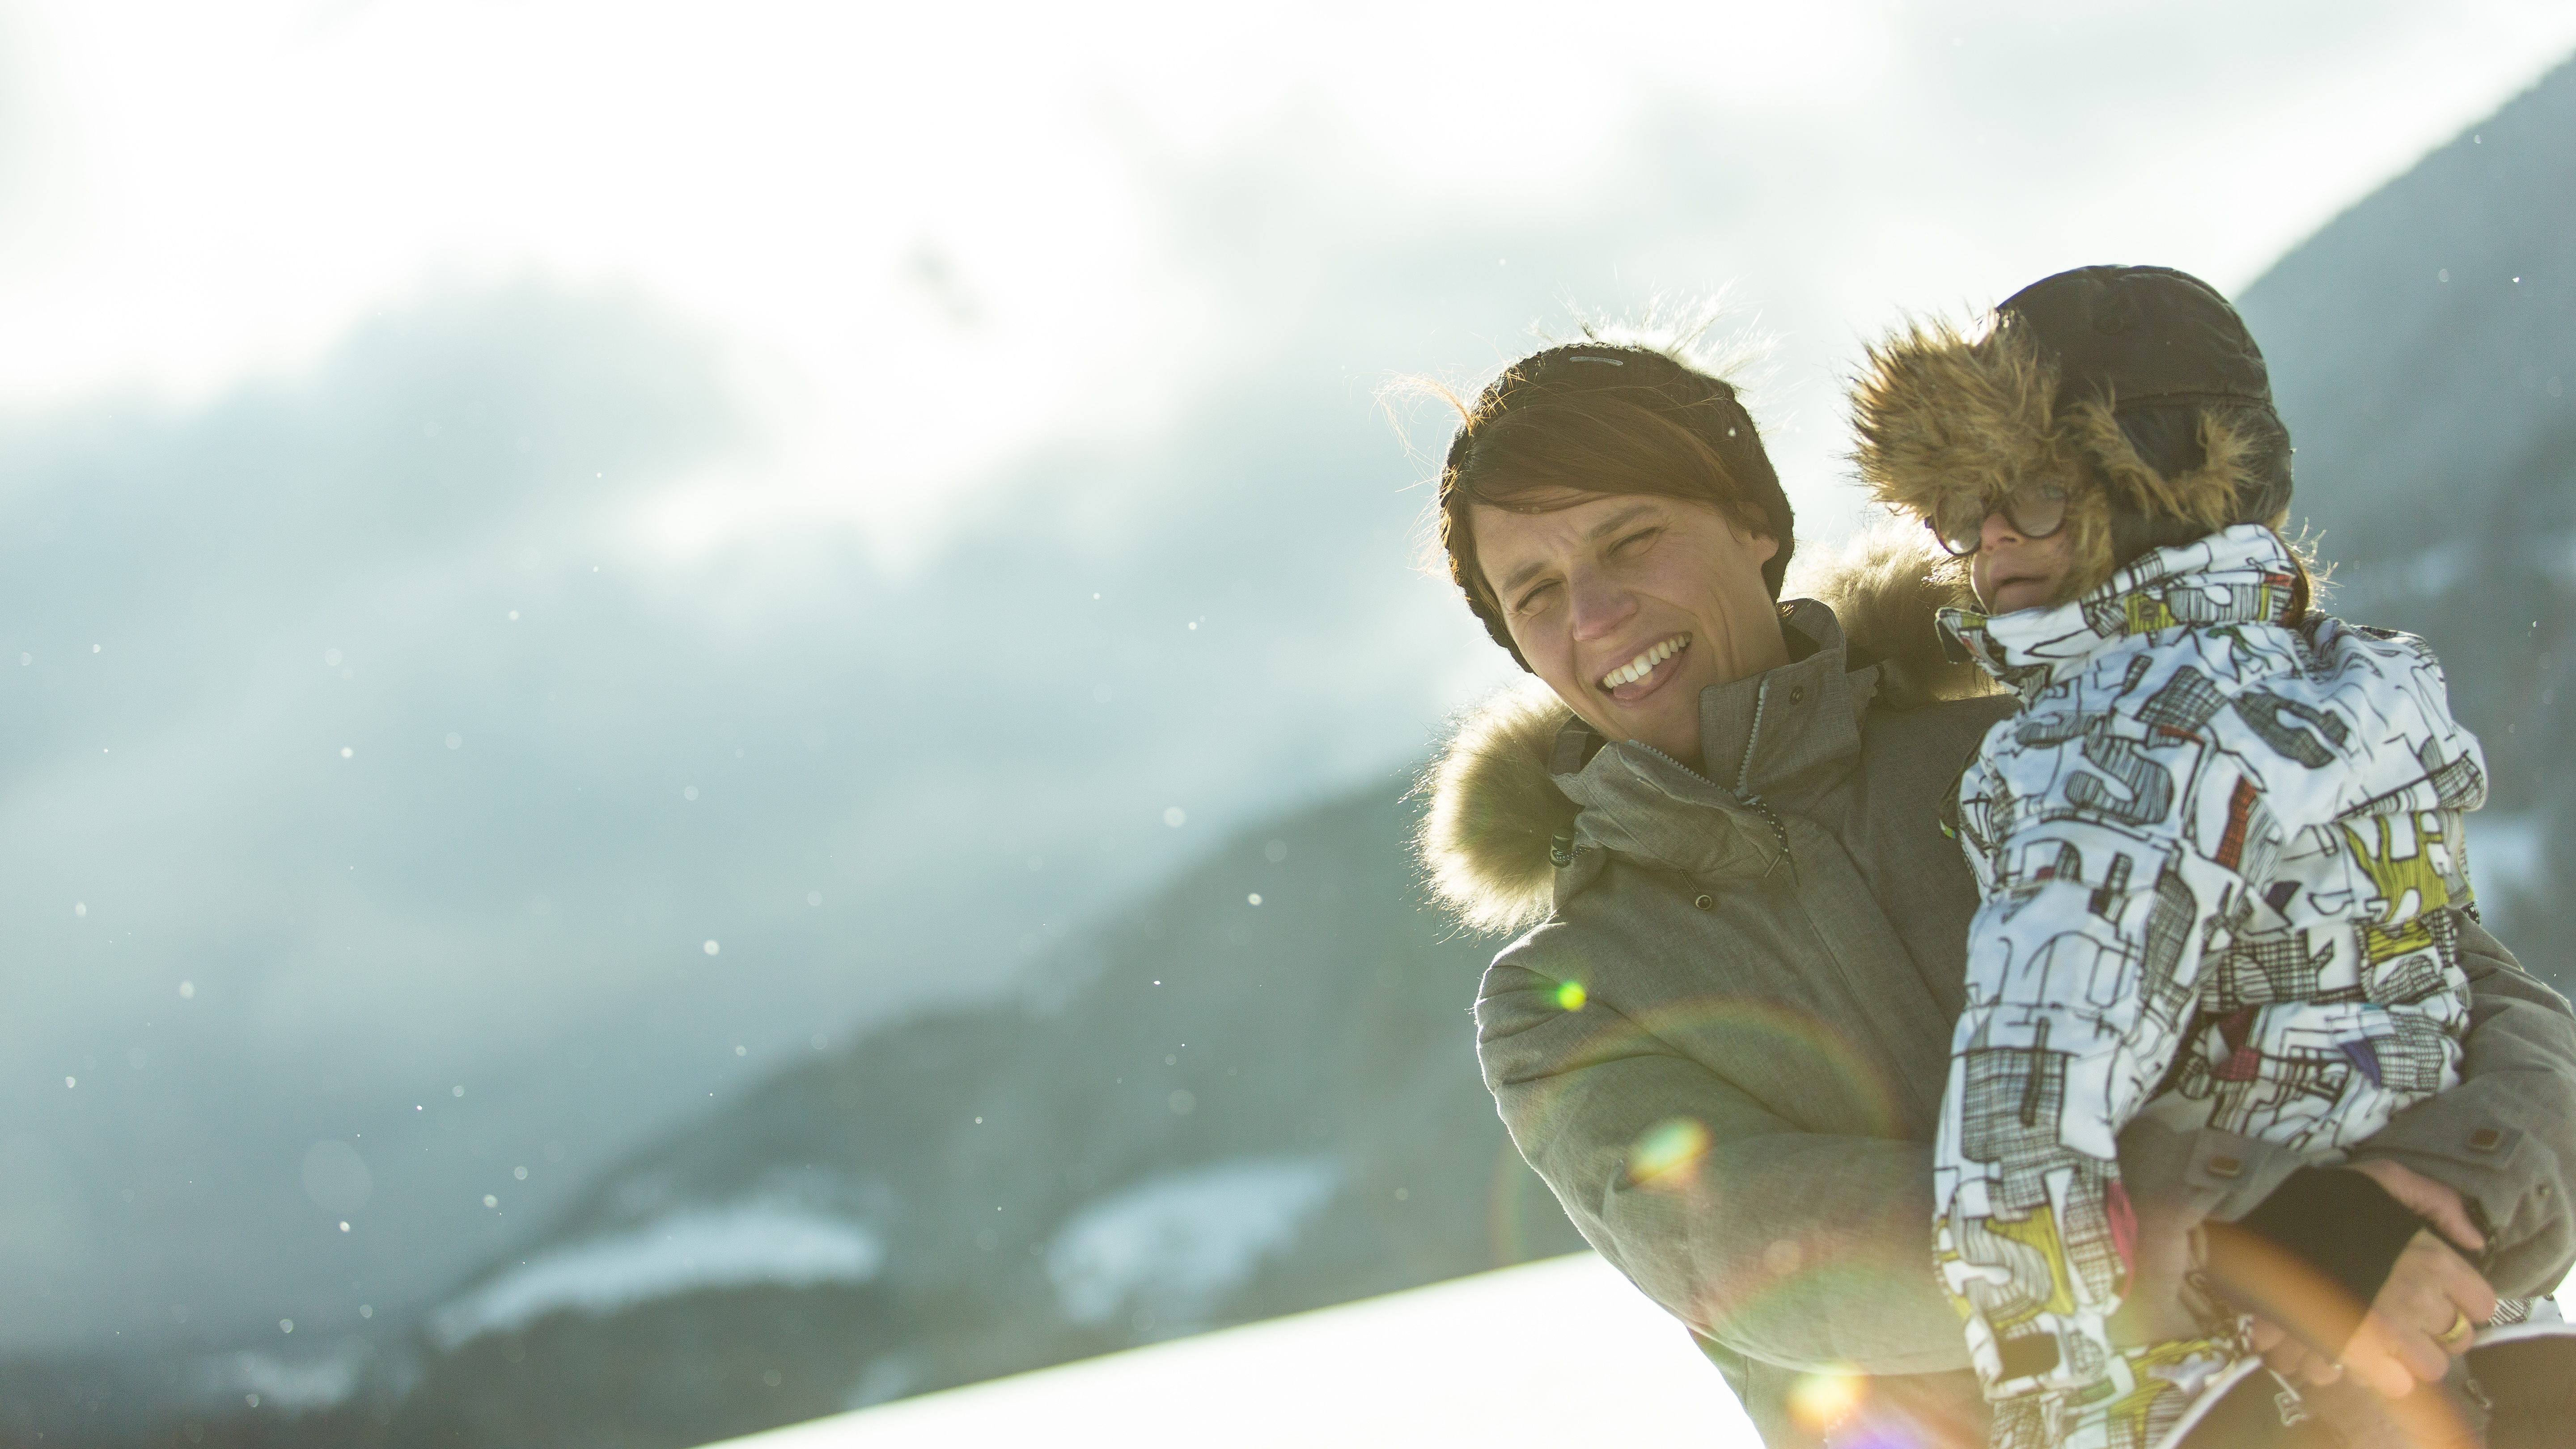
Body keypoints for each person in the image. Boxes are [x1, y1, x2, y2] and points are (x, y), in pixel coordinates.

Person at [1416, 334, 2576, 1447]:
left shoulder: (2055, 744)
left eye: (1631, 541)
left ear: (1755, 521)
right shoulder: (1567, 1001)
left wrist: (2430, 1200)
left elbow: (2466, 1001)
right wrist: (2230, 1228)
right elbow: (1781, 1265)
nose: (1595, 615)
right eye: (1536, 593)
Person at [1848, 264, 2550, 1448]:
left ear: (2165, 480)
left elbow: (2027, 1100)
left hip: (2218, 1381)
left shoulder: (2102, 734)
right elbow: (2435, 1006)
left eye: (2029, 494)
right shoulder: (2365, 687)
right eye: (1958, 518)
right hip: (2460, 1329)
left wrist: (2057, 1402)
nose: (1989, 551)